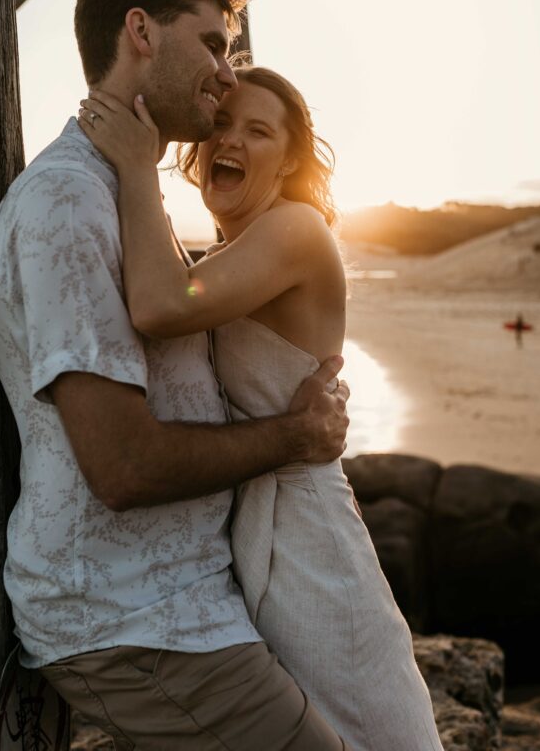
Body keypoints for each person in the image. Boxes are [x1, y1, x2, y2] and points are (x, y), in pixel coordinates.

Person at [0, 0, 353, 750]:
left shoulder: (122, 192)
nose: (226, 72)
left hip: (188, 599)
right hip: (133, 619)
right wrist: (295, 434)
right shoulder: (68, 207)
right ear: (141, 32)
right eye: (213, 44)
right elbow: (124, 467)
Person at [78, 66, 445, 750]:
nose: (232, 142)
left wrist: (134, 167)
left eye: (258, 131)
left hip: (305, 538)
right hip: (249, 529)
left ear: (291, 159)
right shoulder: (231, 252)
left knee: (357, 722)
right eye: (221, 125)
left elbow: (160, 304)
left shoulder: (297, 229)